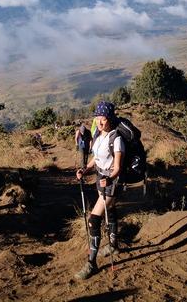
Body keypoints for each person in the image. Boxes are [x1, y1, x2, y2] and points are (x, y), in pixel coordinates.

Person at [74, 101, 124, 280]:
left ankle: (91, 263)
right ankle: (113, 245)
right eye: (98, 119)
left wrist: (109, 179)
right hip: (99, 179)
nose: (101, 122)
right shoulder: (97, 135)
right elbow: (95, 158)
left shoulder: (116, 139)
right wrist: (85, 169)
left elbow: (117, 167)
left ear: (110, 118)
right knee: (109, 210)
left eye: (104, 119)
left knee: (94, 219)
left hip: (111, 182)